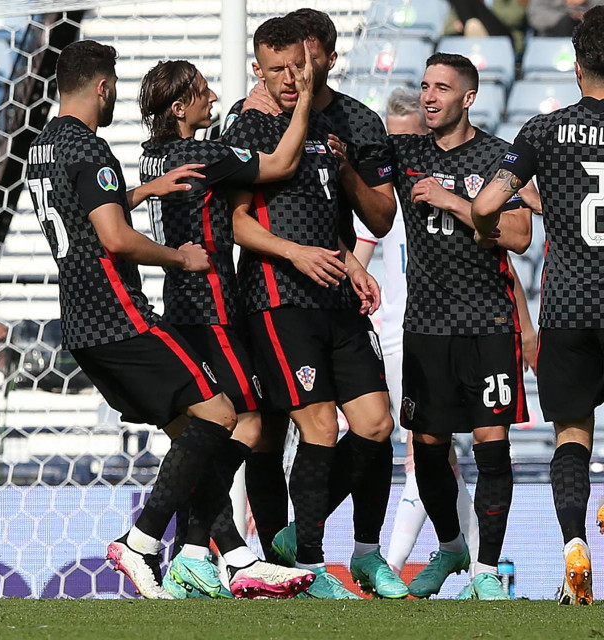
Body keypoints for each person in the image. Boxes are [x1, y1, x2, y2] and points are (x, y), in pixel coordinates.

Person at [26, 39, 314, 600]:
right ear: (102, 87)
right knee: (221, 415)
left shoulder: (43, 149)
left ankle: (232, 558)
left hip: (81, 325)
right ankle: (143, 542)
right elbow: (113, 237)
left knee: (193, 435)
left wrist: (140, 191)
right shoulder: (92, 149)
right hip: (125, 316)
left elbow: (86, 212)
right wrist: (179, 256)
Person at [224, 16, 405, 600]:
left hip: (335, 292)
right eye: (276, 68)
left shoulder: (347, 124)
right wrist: (297, 255)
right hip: (278, 296)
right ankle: (306, 564)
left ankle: (359, 553)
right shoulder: (249, 123)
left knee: (377, 423)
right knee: (301, 427)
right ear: (259, 68)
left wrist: (351, 261)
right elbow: (234, 221)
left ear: (323, 59)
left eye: (297, 65)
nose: (290, 77)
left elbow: (368, 216)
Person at [136, 49, 316, 599]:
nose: (214, 97)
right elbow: (283, 164)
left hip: (185, 305)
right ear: (180, 104)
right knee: (248, 427)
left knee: (219, 433)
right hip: (210, 306)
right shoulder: (202, 153)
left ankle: (197, 552)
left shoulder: (152, 156)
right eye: (205, 91)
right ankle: (202, 550)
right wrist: (304, 99)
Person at [381, 53, 532, 601]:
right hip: (426, 327)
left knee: (492, 447)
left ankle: (488, 570)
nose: (429, 96)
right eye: (424, 86)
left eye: (442, 88)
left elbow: (516, 234)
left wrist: (456, 201)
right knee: (427, 451)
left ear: (468, 97)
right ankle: (450, 544)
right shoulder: (407, 151)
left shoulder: (496, 156)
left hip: (488, 325)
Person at [471, 6, 604, 605]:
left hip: (570, 306)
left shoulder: (543, 131)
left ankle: (574, 546)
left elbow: (487, 203)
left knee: (571, 434)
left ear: (577, 68)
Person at [353, 87, 480, 577]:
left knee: (429, 450)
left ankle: (402, 561)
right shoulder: (385, 202)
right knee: (429, 452)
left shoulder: (435, 192)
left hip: (436, 332)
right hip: (398, 338)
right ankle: (475, 561)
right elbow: (359, 261)